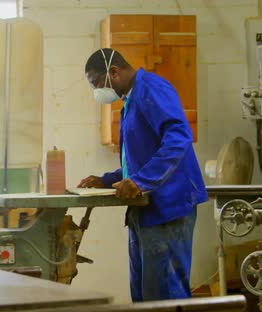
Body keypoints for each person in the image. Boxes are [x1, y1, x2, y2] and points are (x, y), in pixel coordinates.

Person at [77, 48, 208, 302]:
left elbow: (179, 137)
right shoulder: (131, 100)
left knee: (165, 295)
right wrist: (106, 179)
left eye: (96, 84)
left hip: (168, 208)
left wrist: (139, 181)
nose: (97, 92)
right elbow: (140, 159)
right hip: (145, 211)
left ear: (114, 72)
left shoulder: (151, 88)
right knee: (145, 295)